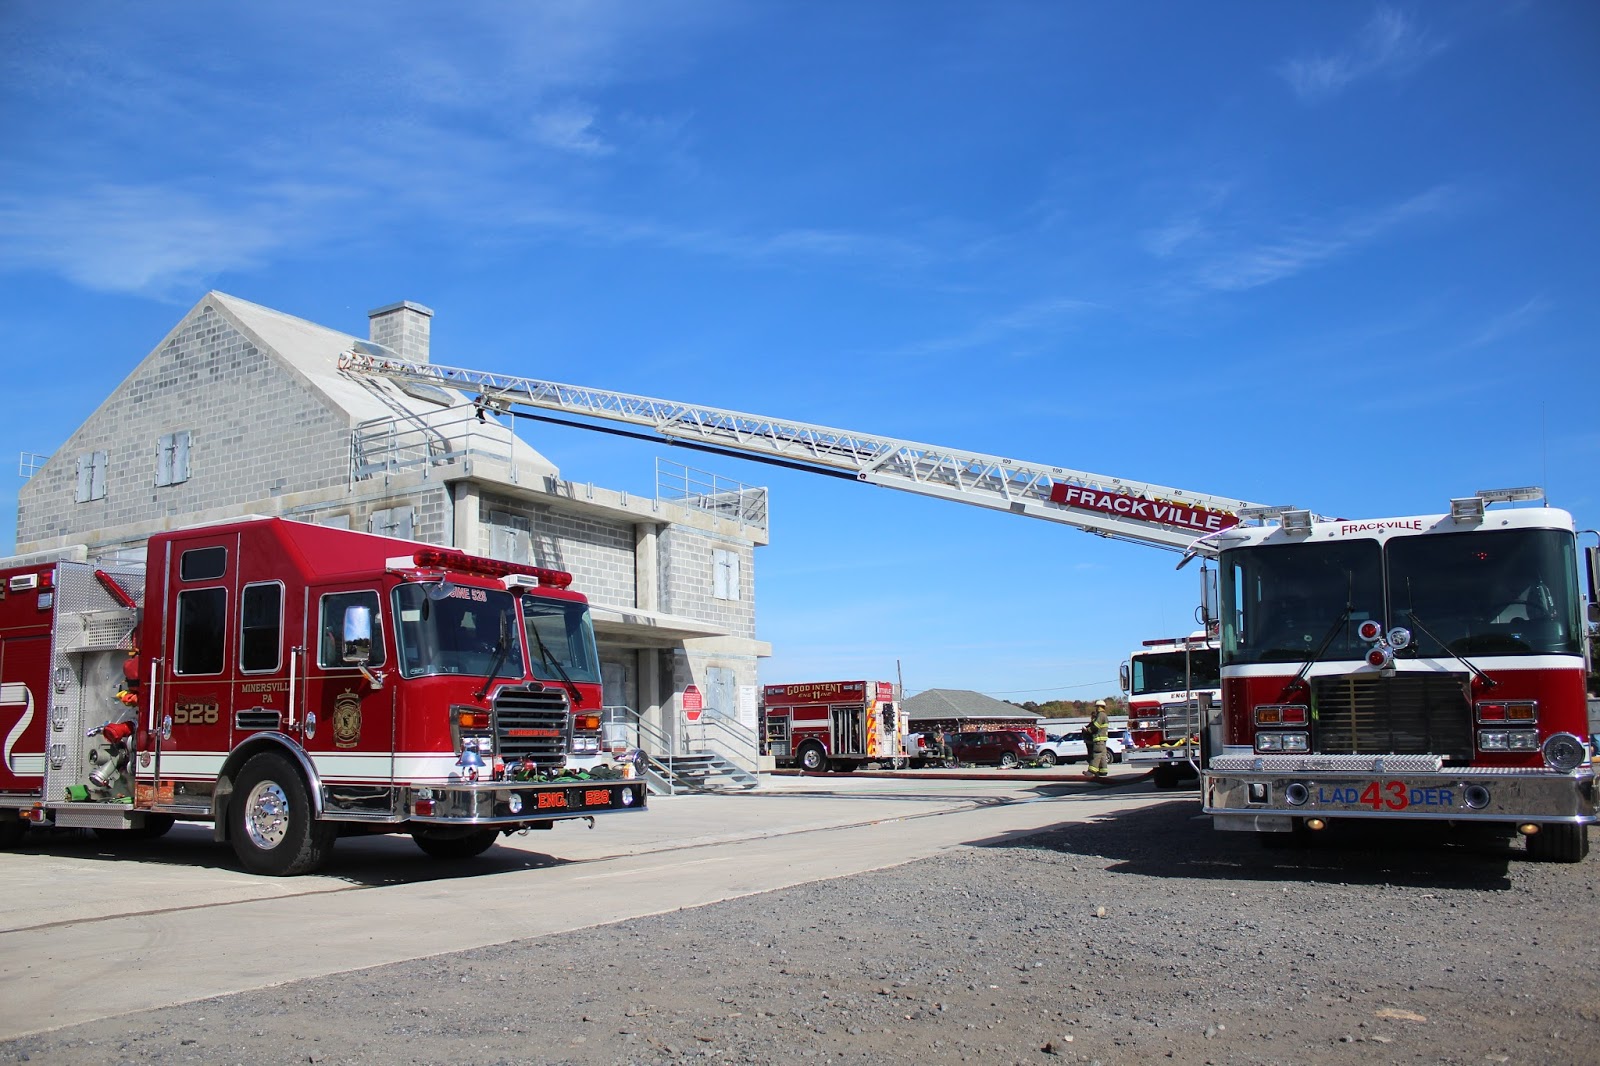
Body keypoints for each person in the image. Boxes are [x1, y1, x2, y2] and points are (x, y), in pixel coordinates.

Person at [1083, 700, 1111, 780]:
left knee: (1096, 754)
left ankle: (1091, 771)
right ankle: (1103, 771)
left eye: (1096, 707)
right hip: (1103, 740)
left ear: (1099, 707)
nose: (1096, 709)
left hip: (1099, 739)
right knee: (1102, 755)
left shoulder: (1101, 715)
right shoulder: (1104, 715)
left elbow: (1095, 726)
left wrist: (1087, 730)